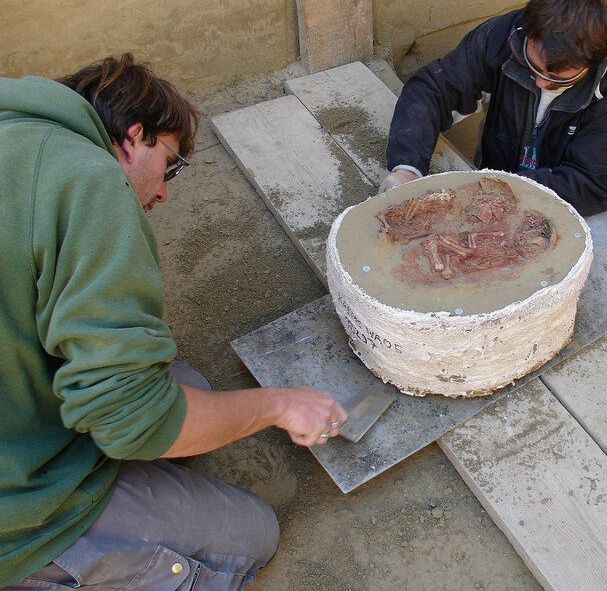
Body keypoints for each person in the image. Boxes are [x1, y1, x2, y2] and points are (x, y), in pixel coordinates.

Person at [0, 55, 347, 589]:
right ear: (133, 136)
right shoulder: (90, 182)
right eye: (172, 164)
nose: (163, 191)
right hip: (14, 506)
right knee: (253, 535)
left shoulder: (19, 125)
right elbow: (134, 420)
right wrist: (279, 404)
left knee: (189, 391)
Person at [380, 0, 607, 216]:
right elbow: (433, 90)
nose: (538, 81)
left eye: (557, 78)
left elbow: (590, 185)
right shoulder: (504, 35)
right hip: (494, 184)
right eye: (531, 65)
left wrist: (491, 192)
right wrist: (407, 169)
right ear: (528, 27)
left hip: (575, 208)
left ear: (599, 59)